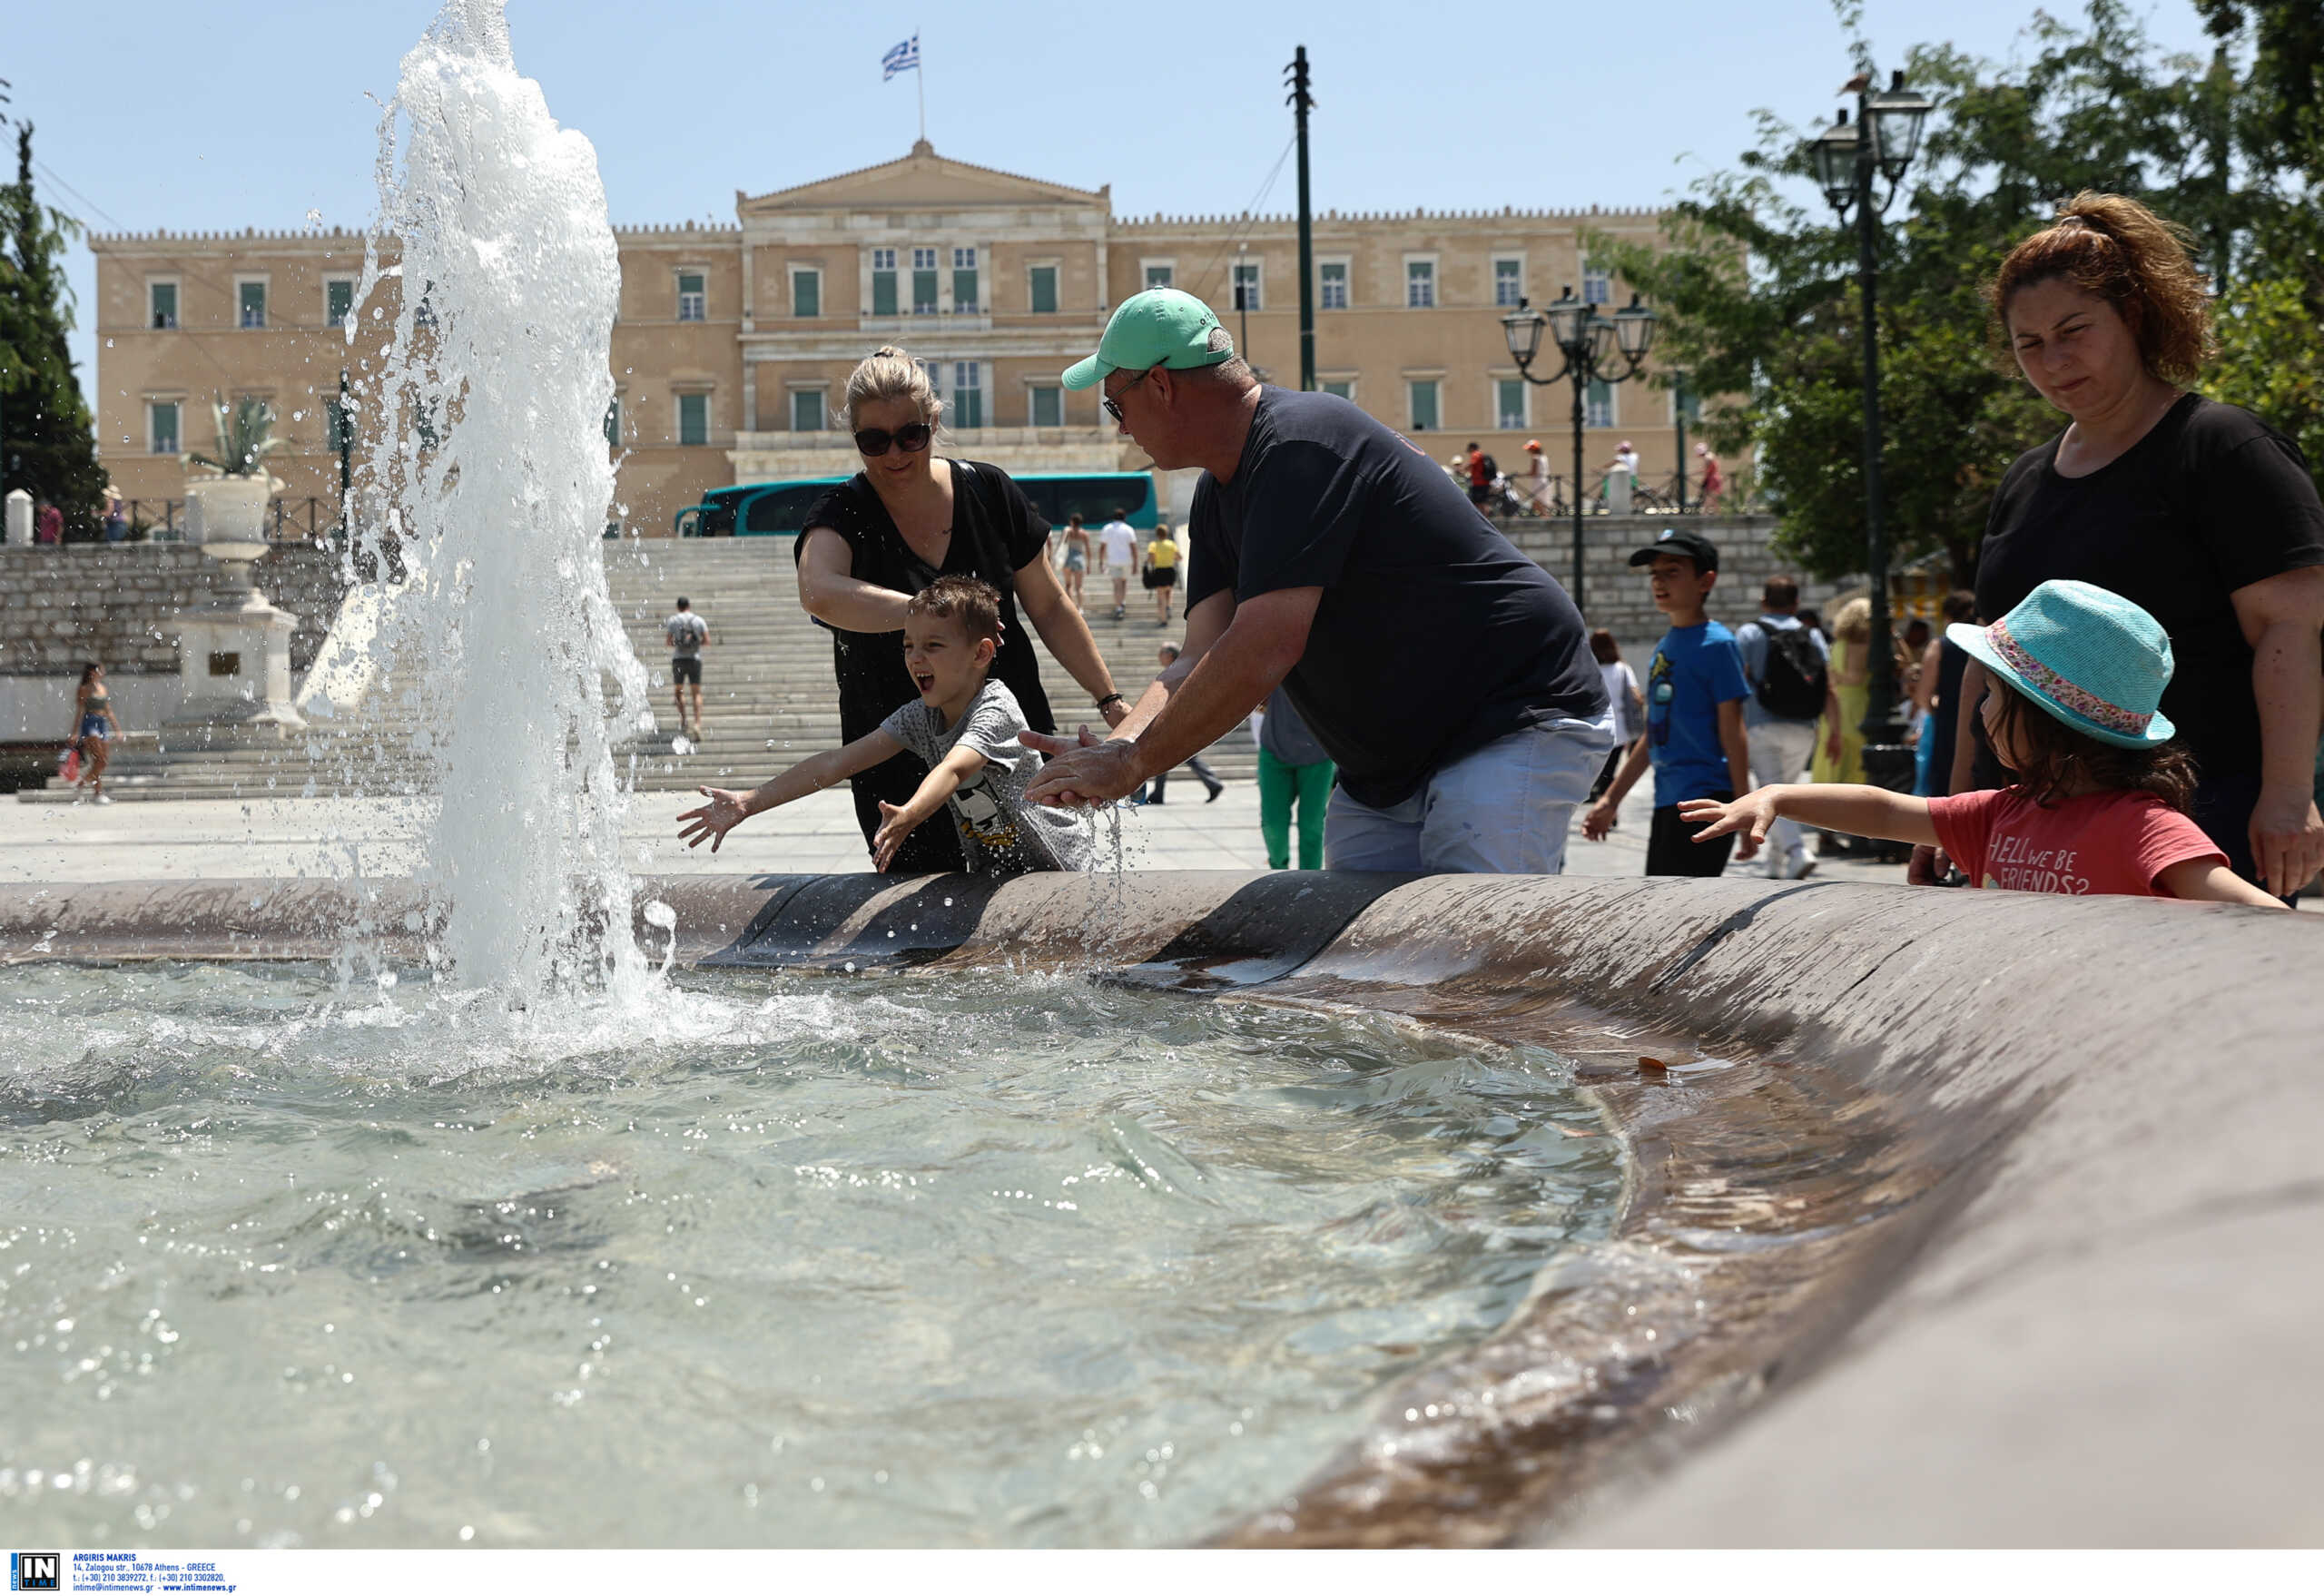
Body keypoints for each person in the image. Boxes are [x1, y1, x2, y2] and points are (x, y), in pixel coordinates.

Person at [1026, 288, 1611, 874]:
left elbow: (1265, 646)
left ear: (1160, 384)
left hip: (1510, 717)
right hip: (1390, 767)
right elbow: (1198, 658)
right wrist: (1116, 747)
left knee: (1477, 945)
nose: (1122, 430)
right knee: (1359, 953)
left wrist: (1133, 765)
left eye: (1115, 406)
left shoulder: (1300, 442)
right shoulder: (1215, 493)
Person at [1952, 191, 2324, 899]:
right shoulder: (2023, 479)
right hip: (2029, 833)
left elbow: (2290, 630)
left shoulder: (2223, 448)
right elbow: (1988, 661)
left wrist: (2287, 795)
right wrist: (1955, 810)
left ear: (2135, 316)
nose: (2052, 360)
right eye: (2029, 343)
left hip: (2198, 823)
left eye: (2074, 330)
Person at [1685, 581, 2283, 909]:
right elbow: (1888, 810)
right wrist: (1782, 796)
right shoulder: (2007, 812)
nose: (1981, 711)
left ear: (2049, 722)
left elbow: (2265, 920)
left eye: (1994, 696)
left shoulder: (2145, 830)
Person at [793, 345, 1128, 872]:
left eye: (911, 434)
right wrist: (931, 615)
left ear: (934, 420)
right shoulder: (843, 512)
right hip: (901, 763)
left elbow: (1051, 607)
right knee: (925, 926)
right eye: (873, 441)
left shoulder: (989, 492)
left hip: (1007, 748)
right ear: (854, 438)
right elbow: (818, 590)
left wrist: (1109, 699)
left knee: (1048, 895)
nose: (895, 454)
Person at [682, 577, 1091, 874]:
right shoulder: (920, 716)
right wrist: (749, 801)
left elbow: (955, 767)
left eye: (933, 646)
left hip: (1064, 871)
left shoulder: (996, 708)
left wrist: (911, 813)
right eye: (908, 645)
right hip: (999, 877)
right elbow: (836, 764)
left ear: (981, 653)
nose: (915, 659)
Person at [1581, 529, 1756, 874]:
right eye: (1654, 574)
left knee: (1684, 914)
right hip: (1668, 798)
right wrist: (1610, 800)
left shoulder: (1718, 645)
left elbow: (1732, 730)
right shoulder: (1665, 646)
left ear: (1706, 581)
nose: (1659, 582)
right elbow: (1654, 734)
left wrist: (1744, 809)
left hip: (1706, 797)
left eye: (1672, 571)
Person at [1733, 576, 1838, 880]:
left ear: (1763, 601)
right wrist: (1833, 731)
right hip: (1804, 728)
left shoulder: (1750, 633)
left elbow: (1737, 681)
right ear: (1795, 604)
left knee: (1771, 791)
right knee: (1783, 795)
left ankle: (1797, 851)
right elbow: (1827, 688)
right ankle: (1775, 865)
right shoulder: (1814, 635)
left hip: (1761, 724)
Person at [1133, 643, 1225, 804]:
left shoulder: (1177, 672)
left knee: (1177, 756)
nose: (1159, 655)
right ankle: (1161, 793)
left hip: (1177, 722)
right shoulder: (1178, 671)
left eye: (1162, 652)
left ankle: (1212, 784)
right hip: (1177, 721)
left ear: (1169, 655)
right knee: (1167, 756)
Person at [1256, 683, 1333, 869]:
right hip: (1274, 749)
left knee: (1311, 826)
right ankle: (1278, 871)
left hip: (1319, 754)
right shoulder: (1272, 656)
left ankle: (1310, 880)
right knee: (1273, 824)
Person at [1915, 590, 1978, 799]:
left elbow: (1923, 694)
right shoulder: (1984, 643)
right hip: (1984, 720)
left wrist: (1933, 707)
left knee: (1947, 787)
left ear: (1947, 616)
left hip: (1949, 721)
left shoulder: (1940, 645)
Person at [1812, 596, 1874, 787]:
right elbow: (1856, 678)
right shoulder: (1867, 647)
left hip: (1836, 705)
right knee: (1857, 762)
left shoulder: (1837, 645)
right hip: (1860, 705)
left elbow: (1832, 676)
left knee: (1833, 758)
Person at [1586, 629, 1644, 812]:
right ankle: (1607, 804)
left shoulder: (1590, 669)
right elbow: (1636, 696)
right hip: (1619, 728)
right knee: (1610, 769)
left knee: (1601, 769)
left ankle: (1603, 802)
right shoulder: (1622, 669)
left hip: (1594, 727)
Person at [69, 662, 119, 803]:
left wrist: (117, 729)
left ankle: (93, 790)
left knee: (100, 762)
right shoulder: (84, 689)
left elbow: (108, 710)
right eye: (100, 669)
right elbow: (79, 711)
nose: (103, 672)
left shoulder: (103, 688)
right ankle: (87, 787)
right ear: (93, 672)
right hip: (90, 723)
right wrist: (74, 732)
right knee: (100, 760)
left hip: (102, 723)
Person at [664, 596, 709, 740]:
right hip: (694, 659)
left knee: (679, 691)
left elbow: (669, 642)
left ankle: (683, 719)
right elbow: (707, 641)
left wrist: (681, 644)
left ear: (678, 607)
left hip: (678, 660)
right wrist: (693, 644)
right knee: (696, 693)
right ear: (689, 605)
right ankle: (697, 723)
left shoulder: (673, 621)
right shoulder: (699, 620)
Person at [1097, 507, 1138, 621]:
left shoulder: (1107, 528)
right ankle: (1122, 601)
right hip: (1126, 560)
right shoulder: (1129, 529)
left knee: (1117, 584)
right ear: (1124, 517)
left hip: (1113, 560)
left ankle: (1119, 606)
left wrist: (1101, 561)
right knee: (1124, 582)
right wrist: (1135, 563)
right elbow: (1134, 548)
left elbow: (1102, 547)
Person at [1144, 522, 1181, 626]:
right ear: (1166, 533)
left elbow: (1151, 559)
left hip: (1159, 571)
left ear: (1157, 534)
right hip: (1170, 570)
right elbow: (1179, 557)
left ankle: (1163, 620)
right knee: (1169, 590)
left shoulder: (1153, 545)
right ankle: (1169, 606)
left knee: (1161, 597)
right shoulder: (1171, 544)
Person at [1059, 513, 1091, 609]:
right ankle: (1080, 607)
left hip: (1068, 558)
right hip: (1079, 558)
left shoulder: (1067, 531)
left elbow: (1061, 543)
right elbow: (1088, 549)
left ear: (1072, 521)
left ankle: (1071, 607)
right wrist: (1089, 564)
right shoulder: (1084, 533)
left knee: (1068, 585)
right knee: (1079, 587)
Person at [1521, 439, 1553, 516]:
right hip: (1545, 480)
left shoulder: (1535, 458)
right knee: (1539, 503)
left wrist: (1522, 475)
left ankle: (1546, 518)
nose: (1528, 451)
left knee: (1538, 503)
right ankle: (1545, 518)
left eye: (1529, 449)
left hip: (1538, 481)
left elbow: (1533, 472)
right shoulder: (1544, 457)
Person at [1465, 441, 1497, 508]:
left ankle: (1483, 517)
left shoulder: (1476, 454)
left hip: (1479, 483)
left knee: (1479, 503)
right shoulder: (1481, 454)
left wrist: (1463, 469)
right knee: (1481, 502)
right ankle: (1483, 517)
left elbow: (1471, 464)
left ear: (1472, 448)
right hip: (1483, 482)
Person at [1696, 443, 1725, 514]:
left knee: (1709, 496)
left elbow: (1708, 469)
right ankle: (1718, 514)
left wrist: (1701, 474)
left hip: (1713, 479)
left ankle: (1705, 513)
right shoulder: (1710, 456)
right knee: (1715, 498)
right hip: (1715, 478)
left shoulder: (1708, 457)